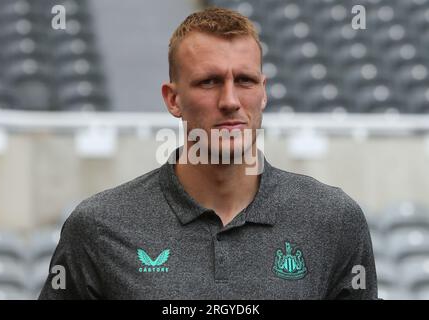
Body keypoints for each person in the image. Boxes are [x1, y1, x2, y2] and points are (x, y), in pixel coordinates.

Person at [39, 7, 378, 300]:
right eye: (209, 82)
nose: (230, 100)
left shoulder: (334, 220)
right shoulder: (98, 226)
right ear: (173, 99)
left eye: (244, 81)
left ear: (263, 93)